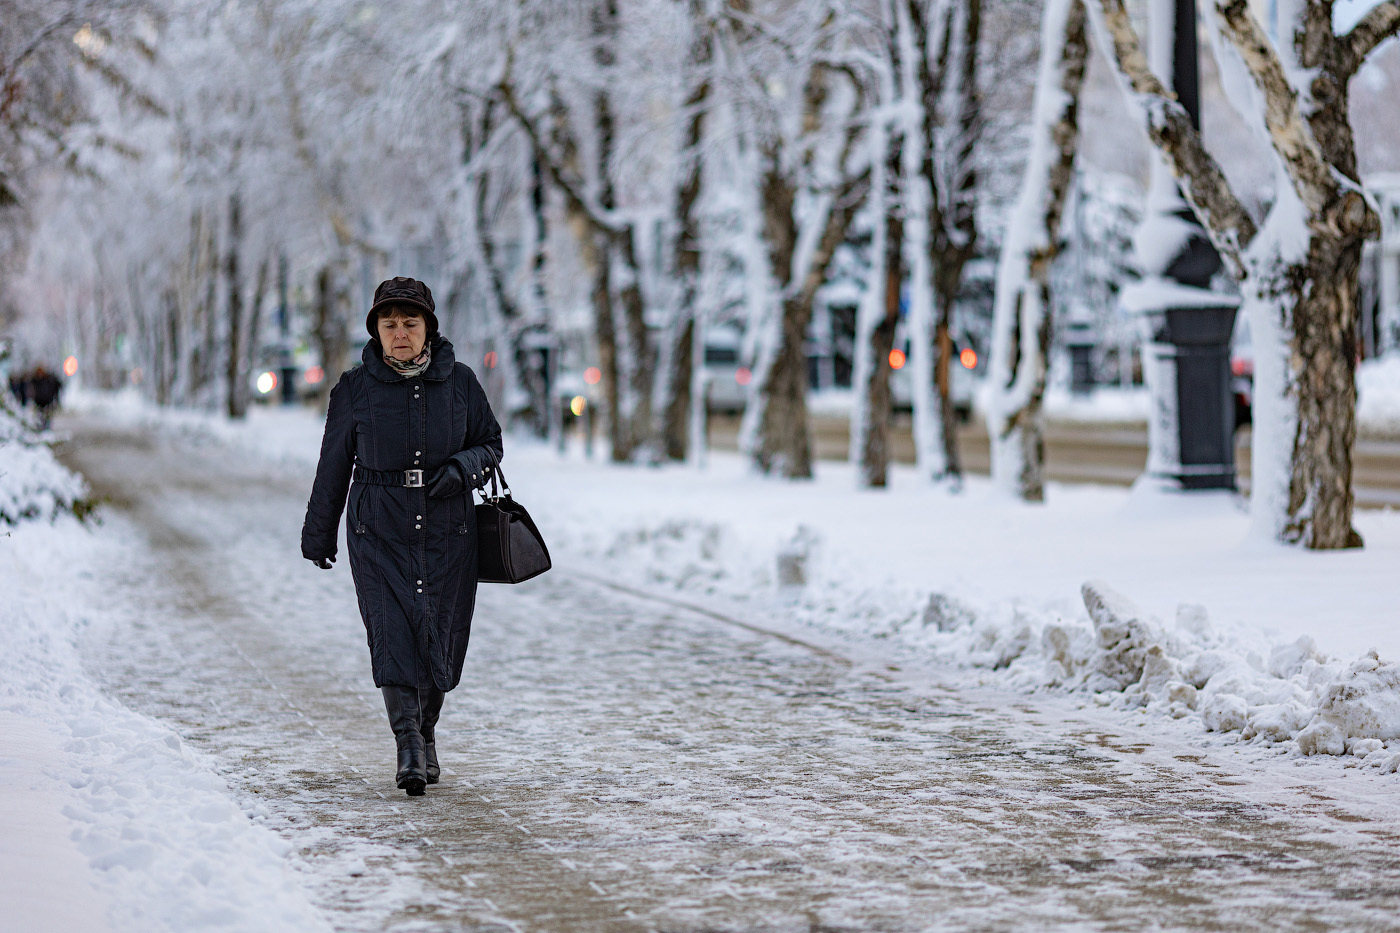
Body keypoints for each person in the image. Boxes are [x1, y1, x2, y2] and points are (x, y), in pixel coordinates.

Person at [301, 276, 502, 797]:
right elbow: (333, 465)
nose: (400, 334)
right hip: (378, 529)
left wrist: (462, 468)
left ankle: (427, 731)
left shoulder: (460, 383)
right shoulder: (355, 389)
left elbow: (491, 444)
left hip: (449, 530)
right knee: (392, 633)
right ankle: (407, 743)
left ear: (428, 328)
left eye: (410, 324)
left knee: (441, 634)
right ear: (376, 331)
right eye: (389, 325)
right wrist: (318, 534)